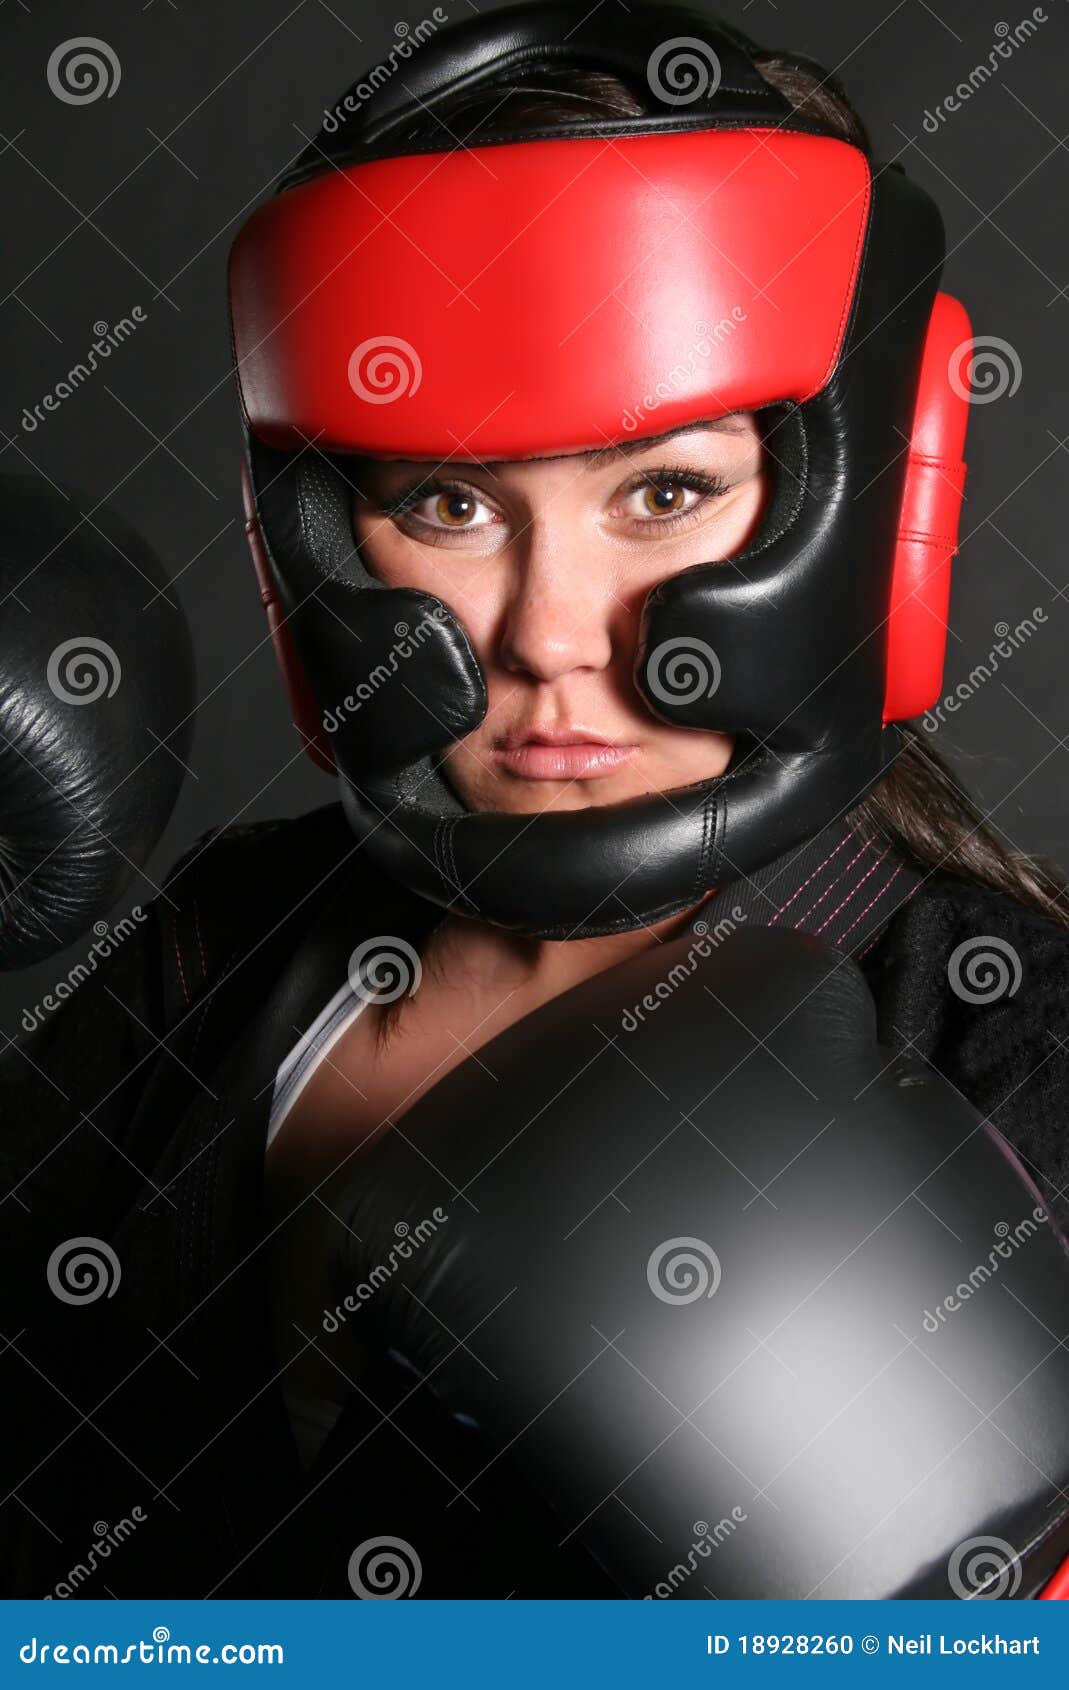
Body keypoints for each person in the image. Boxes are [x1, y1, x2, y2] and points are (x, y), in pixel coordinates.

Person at [2, 7, 1067, 1601]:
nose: (549, 634)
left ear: (874, 501)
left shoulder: (1014, 1051)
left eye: (664, 492)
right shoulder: (203, 958)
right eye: (445, 503)